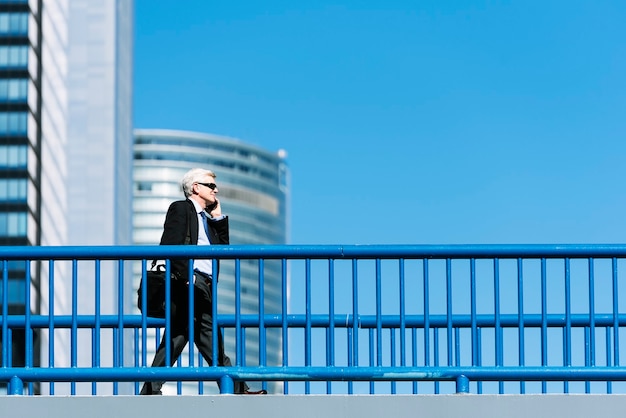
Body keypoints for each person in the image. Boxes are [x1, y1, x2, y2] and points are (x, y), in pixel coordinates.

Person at [140, 168, 266, 395]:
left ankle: (150, 390)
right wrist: (185, 278)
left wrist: (218, 218)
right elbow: (170, 244)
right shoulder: (181, 208)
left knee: (180, 335)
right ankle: (237, 388)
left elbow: (223, 250)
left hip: (203, 285)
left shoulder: (207, 221)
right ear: (196, 187)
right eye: (210, 185)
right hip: (190, 282)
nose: (215, 190)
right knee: (207, 334)